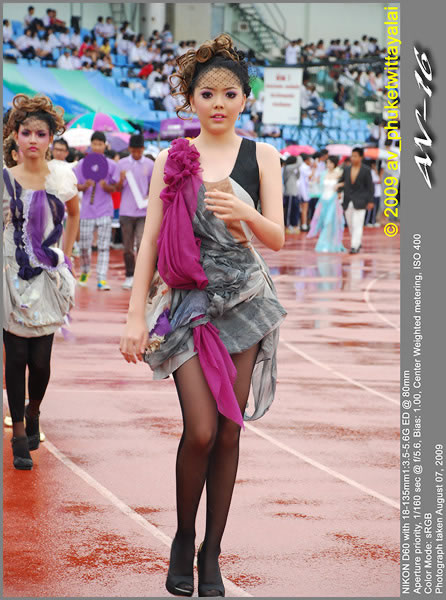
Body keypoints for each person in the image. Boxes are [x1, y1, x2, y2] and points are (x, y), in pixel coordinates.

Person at [119, 33, 286, 598]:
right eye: (207, 93)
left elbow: (277, 238)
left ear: (245, 99)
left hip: (244, 303)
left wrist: (245, 210)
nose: (218, 103)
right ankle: (183, 536)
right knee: (202, 430)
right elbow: (149, 241)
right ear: (190, 98)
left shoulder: (263, 156)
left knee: (230, 431)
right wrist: (135, 316)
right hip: (188, 305)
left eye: (230, 94)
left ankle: (211, 551)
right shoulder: (171, 159)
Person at [2, 94, 79, 470]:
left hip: (48, 277)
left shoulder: (62, 177)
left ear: (51, 138)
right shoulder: (4, 180)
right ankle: (18, 432)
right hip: (10, 275)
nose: (33, 139)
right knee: (15, 356)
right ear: (15, 136)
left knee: (41, 361)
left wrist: (65, 255)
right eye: (26, 132)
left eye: (41, 133)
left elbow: (74, 213)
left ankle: (34, 411)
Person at [73, 131, 118, 290]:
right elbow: (75, 185)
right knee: (84, 246)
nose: (97, 147)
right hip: (87, 211)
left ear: (105, 146)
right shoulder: (82, 164)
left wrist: (108, 187)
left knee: (103, 246)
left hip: (105, 210)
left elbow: (116, 186)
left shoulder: (111, 165)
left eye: (100, 144)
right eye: (95, 143)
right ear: (90, 145)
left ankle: (101, 278)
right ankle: (85, 271)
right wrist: (84, 186)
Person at [113, 134, 154, 290]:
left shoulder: (150, 164)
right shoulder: (122, 164)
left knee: (143, 244)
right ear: (129, 149)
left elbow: (153, 185)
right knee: (128, 247)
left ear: (143, 149)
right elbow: (117, 188)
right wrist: (121, 180)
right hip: (126, 211)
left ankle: (143, 276)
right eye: (134, 150)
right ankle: (130, 275)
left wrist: (149, 195)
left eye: (139, 150)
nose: (137, 153)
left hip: (143, 212)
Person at [337, 147, 374, 253]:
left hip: (361, 201)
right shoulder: (347, 169)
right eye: (352, 156)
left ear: (361, 157)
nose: (353, 158)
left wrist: (370, 201)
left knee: (357, 223)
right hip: (347, 200)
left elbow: (370, 187)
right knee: (350, 224)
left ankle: (354, 245)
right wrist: (339, 191)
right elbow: (341, 181)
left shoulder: (366, 170)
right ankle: (357, 241)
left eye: (355, 156)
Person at [307, 155, 346, 252]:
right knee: (324, 222)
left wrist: (339, 186)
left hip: (333, 201)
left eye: (330, 163)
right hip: (323, 201)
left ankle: (326, 244)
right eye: (327, 163)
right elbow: (313, 181)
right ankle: (327, 243)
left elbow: (346, 183)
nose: (328, 165)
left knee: (330, 222)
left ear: (334, 164)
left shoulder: (339, 173)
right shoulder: (323, 173)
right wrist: (314, 170)